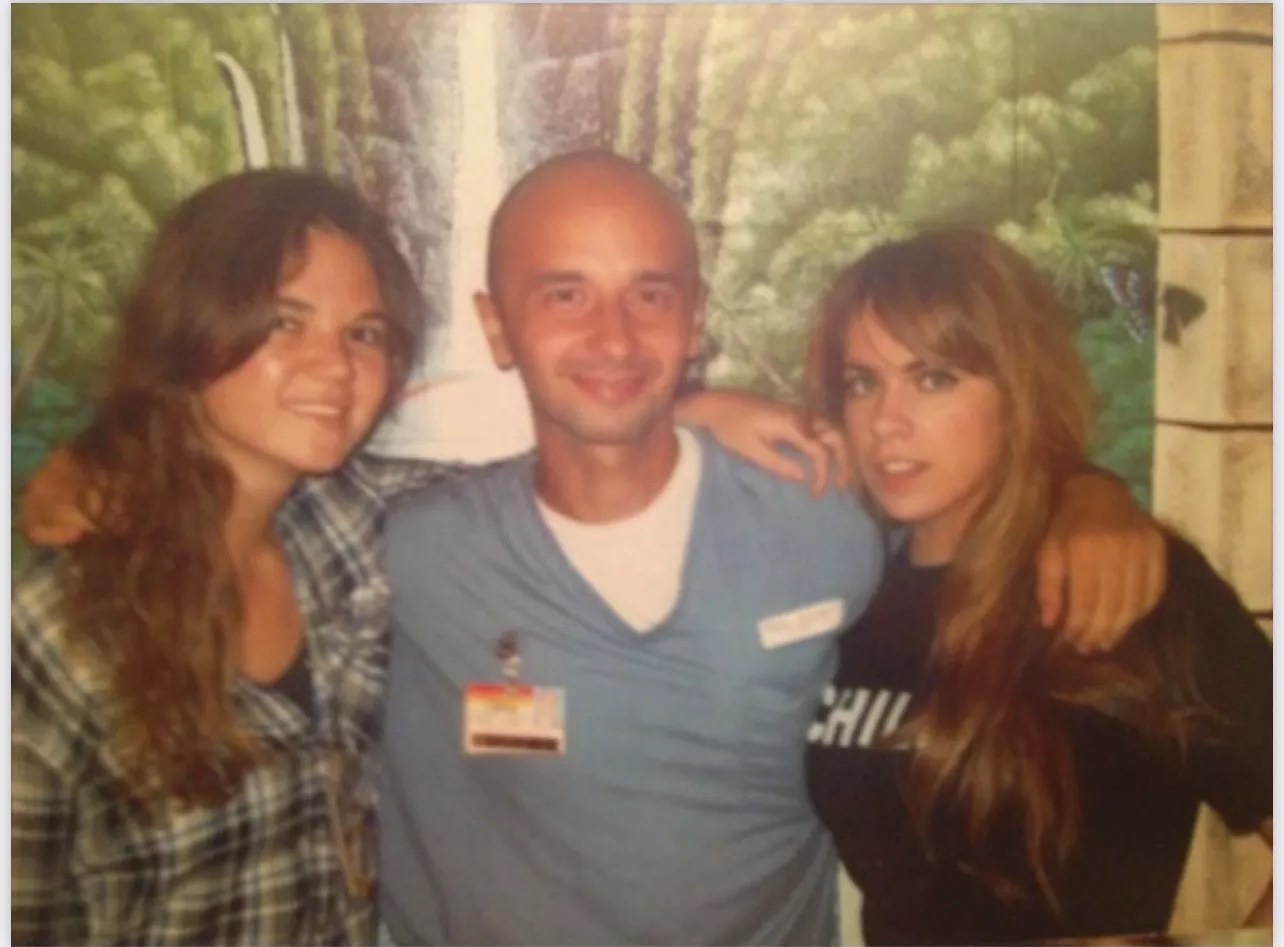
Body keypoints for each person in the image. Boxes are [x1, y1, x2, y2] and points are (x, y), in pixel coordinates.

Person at [373, 152, 1169, 946]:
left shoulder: (826, 516)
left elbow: (975, 497)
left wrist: (1086, 492)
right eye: (566, 294)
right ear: (495, 325)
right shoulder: (415, 550)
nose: (613, 337)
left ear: (695, 319)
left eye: (650, 294)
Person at [803, 229, 1273, 945]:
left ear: (1017, 392)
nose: (885, 423)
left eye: (934, 379)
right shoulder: (855, 588)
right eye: (863, 383)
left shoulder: (1136, 586)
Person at [10, 169, 435, 944]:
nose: (335, 365)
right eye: (285, 321)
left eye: (364, 333)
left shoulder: (344, 523)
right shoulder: (55, 627)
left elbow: (553, 486)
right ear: (190, 329)